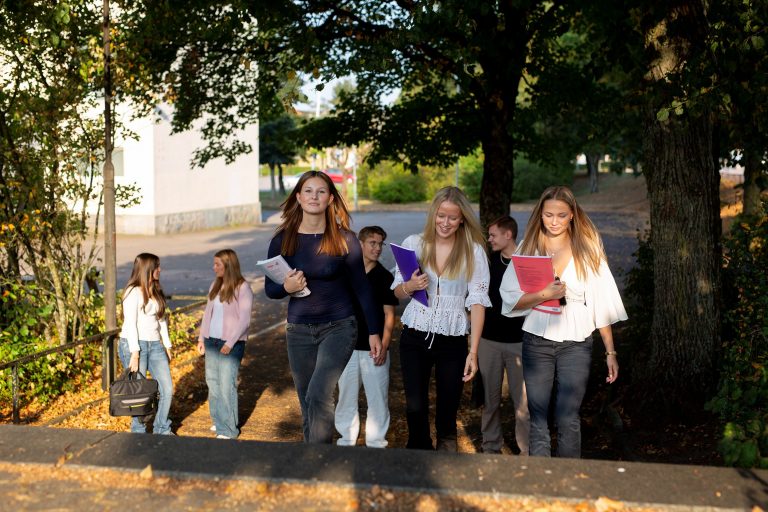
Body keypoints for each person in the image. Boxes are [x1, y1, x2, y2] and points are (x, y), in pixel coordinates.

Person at [499, 186, 627, 458]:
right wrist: (543, 294)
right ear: (540, 214)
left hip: (576, 344)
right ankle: (541, 480)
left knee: (568, 415)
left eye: (561, 215)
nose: (554, 221)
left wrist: (610, 352)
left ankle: (568, 481)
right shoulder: (529, 248)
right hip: (536, 341)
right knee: (538, 415)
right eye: (548, 215)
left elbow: (602, 304)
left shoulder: (587, 250)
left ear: (572, 215)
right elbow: (510, 300)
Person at [264, 171, 383, 444]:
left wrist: (374, 331)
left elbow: (362, 289)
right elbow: (271, 290)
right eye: (308, 191)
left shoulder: (345, 239)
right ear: (298, 197)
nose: (314, 196)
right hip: (299, 330)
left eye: (320, 192)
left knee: (319, 393)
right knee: (307, 401)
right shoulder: (283, 240)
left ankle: (319, 462)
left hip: (339, 326)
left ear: (330, 198)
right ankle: (313, 463)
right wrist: (286, 288)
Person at [392, 186, 490, 451]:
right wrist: (410, 286)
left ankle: (446, 469)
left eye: (453, 217)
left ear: (462, 220)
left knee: (448, 411)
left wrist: (474, 351)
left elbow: (478, 302)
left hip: (453, 340)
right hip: (414, 336)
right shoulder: (414, 243)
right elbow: (397, 292)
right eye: (441, 216)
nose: (445, 223)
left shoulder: (474, 251)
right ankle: (417, 467)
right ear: (433, 214)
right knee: (415, 409)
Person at [334, 226, 399, 448]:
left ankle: (376, 442)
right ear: (360, 244)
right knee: (346, 397)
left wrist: (385, 345)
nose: (378, 248)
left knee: (378, 399)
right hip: (347, 347)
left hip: (375, 348)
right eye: (372, 243)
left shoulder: (384, 276)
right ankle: (346, 439)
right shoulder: (345, 273)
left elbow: (389, 314)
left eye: (381, 244)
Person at [478, 215, 529, 455]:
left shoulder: (527, 262)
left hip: (520, 342)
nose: (489, 240)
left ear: (508, 235)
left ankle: (527, 450)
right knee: (490, 399)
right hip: (489, 341)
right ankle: (490, 446)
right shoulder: (488, 263)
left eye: (493, 235)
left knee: (523, 404)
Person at [197, 249, 254, 440]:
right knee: (212, 382)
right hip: (212, 342)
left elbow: (244, 320)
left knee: (226, 385)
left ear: (228, 265)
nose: (214, 268)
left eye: (217, 264)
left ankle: (229, 430)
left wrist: (230, 343)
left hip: (232, 343)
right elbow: (207, 314)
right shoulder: (215, 284)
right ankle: (219, 420)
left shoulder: (242, 287)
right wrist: (201, 338)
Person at [117, 253, 174, 435]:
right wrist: (135, 353)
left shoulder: (156, 290)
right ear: (148, 269)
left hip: (155, 345)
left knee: (167, 389)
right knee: (139, 393)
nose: (160, 269)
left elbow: (161, 319)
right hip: (135, 345)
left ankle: (162, 428)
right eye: (157, 266)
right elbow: (130, 324)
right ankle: (138, 430)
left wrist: (167, 345)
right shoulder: (132, 292)